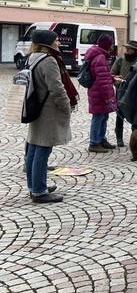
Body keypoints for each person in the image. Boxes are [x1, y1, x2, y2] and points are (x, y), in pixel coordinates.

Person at [25, 30, 76, 203]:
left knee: (33, 146)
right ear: (48, 43)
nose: (59, 43)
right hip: (48, 111)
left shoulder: (33, 57)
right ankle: (39, 191)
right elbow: (56, 87)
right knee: (43, 149)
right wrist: (66, 107)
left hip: (36, 108)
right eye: (56, 40)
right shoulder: (48, 61)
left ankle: (34, 185)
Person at [85, 34, 117, 153]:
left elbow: (103, 75)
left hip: (97, 91)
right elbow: (103, 81)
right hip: (99, 93)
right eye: (111, 44)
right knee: (98, 117)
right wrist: (109, 97)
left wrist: (112, 78)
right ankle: (94, 142)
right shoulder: (100, 58)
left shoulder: (99, 55)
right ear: (107, 45)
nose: (113, 47)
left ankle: (101, 139)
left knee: (103, 116)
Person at [112, 40, 137, 147]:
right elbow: (112, 75)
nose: (127, 51)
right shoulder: (120, 60)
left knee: (135, 116)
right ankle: (119, 138)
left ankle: (136, 137)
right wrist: (118, 82)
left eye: (130, 49)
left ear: (135, 50)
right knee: (120, 116)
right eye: (127, 49)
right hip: (121, 92)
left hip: (135, 93)